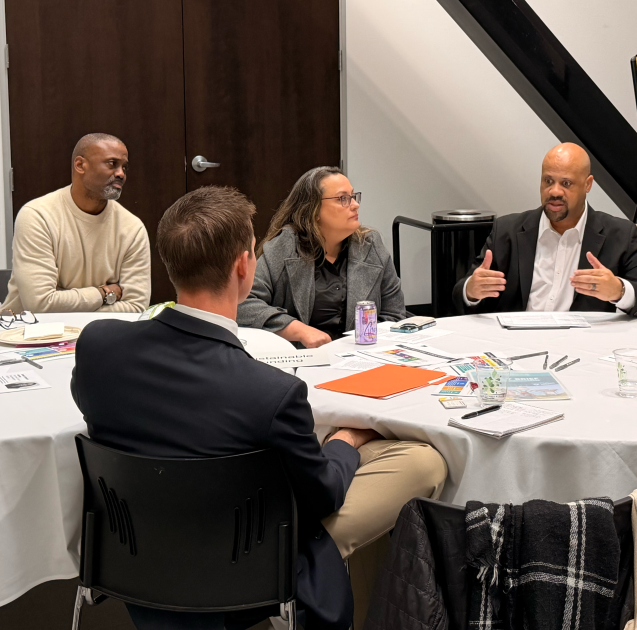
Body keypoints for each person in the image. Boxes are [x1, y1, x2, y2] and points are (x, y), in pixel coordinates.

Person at [71, 186, 447, 630]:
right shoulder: (272, 393)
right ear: (243, 266)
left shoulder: (97, 346)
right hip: (246, 567)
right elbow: (324, 495)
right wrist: (345, 441)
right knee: (424, 461)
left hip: (130, 555)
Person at [452, 143, 637, 316]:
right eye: (548, 181)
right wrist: (471, 291)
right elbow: (461, 293)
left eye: (566, 183)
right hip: (517, 344)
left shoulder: (619, 235)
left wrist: (619, 290)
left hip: (584, 346)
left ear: (587, 184)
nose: (554, 192)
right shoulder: (506, 230)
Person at [238, 167, 405, 348]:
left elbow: (394, 314)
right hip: (305, 357)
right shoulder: (285, 247)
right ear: (314, 210)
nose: (355, 205)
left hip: (362, 355)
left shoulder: (370, 245)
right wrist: (297, 329)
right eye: (342, 199)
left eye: (353, 196)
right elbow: (241, 302)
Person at [2, 133, 150, 313]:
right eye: (112, 164)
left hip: (101, 331)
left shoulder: (132, 228)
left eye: (124, 167)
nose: (121, 174)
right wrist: (104, 294)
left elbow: (136, 307)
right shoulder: (37, 216)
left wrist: (64, 301)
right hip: (29, 329)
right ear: (80, 165)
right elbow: (41, 304)